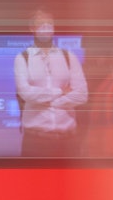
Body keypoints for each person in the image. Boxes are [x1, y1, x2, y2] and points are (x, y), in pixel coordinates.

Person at [13, 9, 88, 157]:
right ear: (32, 29)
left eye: (49, 24)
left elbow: (82, 95)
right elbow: (26, 93)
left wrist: (48, 102)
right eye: (41, 24)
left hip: (67, 141)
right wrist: (59, 92)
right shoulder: (23, 58)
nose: (46, 27)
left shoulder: (68, 57)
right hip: (35, 141)